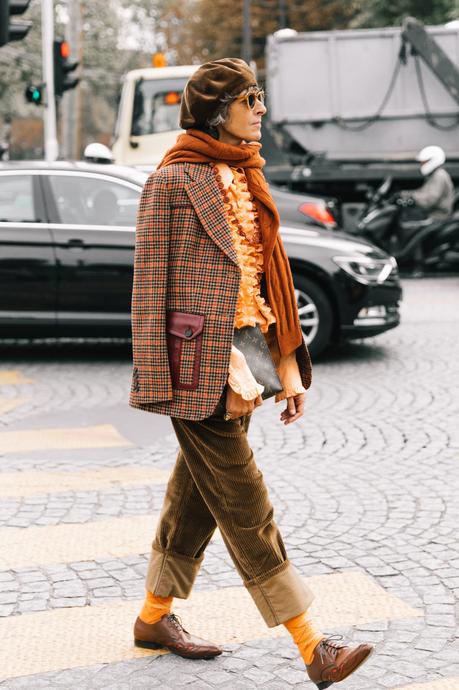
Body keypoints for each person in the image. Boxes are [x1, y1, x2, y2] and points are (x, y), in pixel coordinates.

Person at [129, 58, 373, 688]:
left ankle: (154, 616)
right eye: (250, 98)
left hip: (246, 360)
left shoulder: (247, 177)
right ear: (218, 110)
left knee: (194, 502)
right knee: (245, 504)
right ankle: (313, 646)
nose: (261, 108)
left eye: (260, 96)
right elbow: (150, 290)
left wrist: (288, 370)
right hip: (197, 369)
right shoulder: (172, 183)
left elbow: (269, 285)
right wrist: (162, 386)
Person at [400, 145, 454, 221]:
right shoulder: (435, 175)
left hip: (437, 217)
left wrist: (413, 199)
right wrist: (407, 194)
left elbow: (430, 199)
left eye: (423, 162)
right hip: (431, 214)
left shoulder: (439, 176)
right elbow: (423, 192)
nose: (421, 165)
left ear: (433, 160)